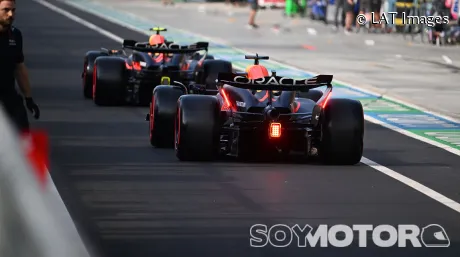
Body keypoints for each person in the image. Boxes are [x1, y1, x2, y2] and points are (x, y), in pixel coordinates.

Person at [0, 0, 40, 132]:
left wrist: (29, 99)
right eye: (6, 10)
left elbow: (19, 68)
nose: (10, 14)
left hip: (8, 94)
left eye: (13, 10)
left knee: (23, 133)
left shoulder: (16, 35)